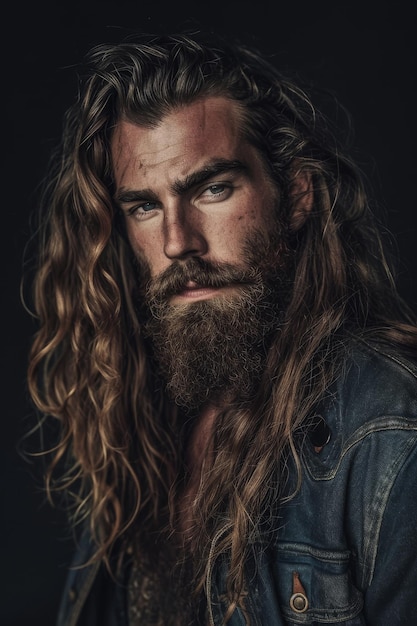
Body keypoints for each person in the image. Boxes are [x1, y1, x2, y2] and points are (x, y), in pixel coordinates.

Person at [26, 30, 417, 626]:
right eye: (145, 206)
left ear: (295, 195)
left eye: (212, 188)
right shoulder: (141, 418)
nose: (178, 241)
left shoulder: (388, 435)